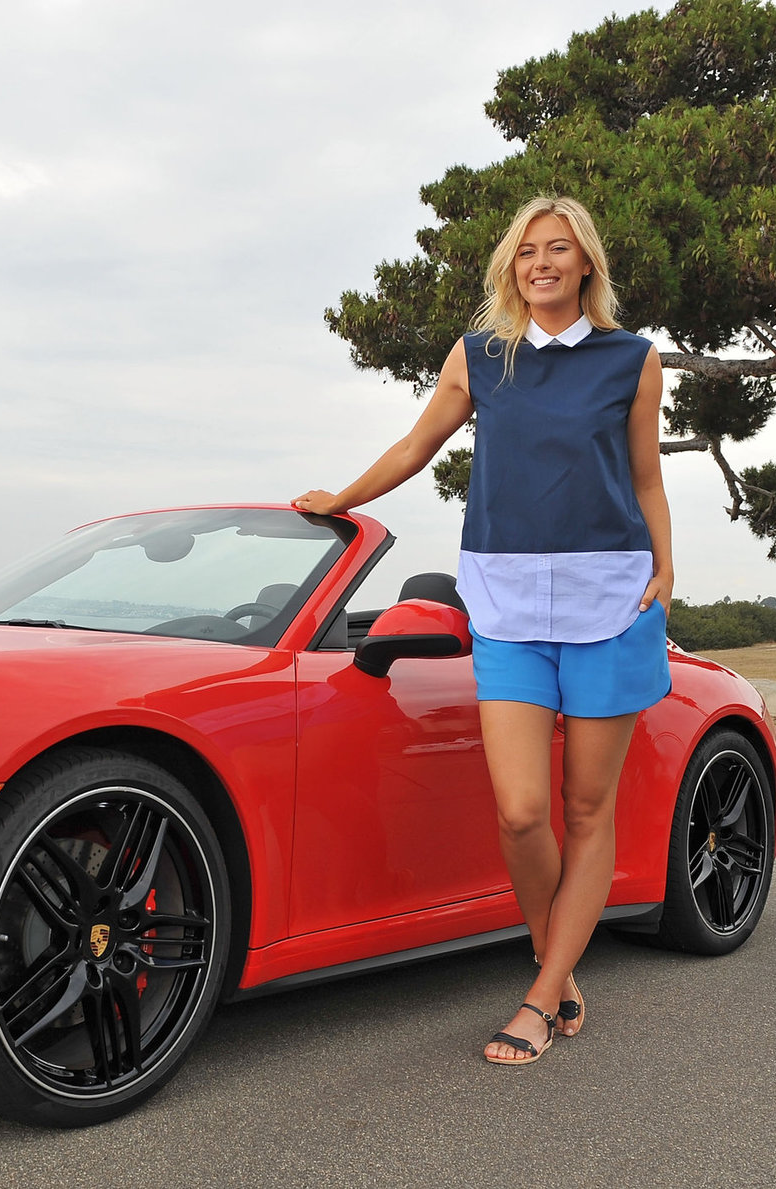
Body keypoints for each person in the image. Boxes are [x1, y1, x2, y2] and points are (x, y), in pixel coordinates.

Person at [293, 195, 673, 1066]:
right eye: (528, 251)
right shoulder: (477, 358)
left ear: (585, 266)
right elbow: (414, 446)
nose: (541, 262)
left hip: (611, 600)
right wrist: (340, 498)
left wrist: (665, 561)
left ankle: (543, 994)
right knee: (519, 809)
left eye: (559, 249)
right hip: (504, 606)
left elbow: (646, 478)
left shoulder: (633, 359)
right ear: (512, 266)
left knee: (585, 806)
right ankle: (560, 961)